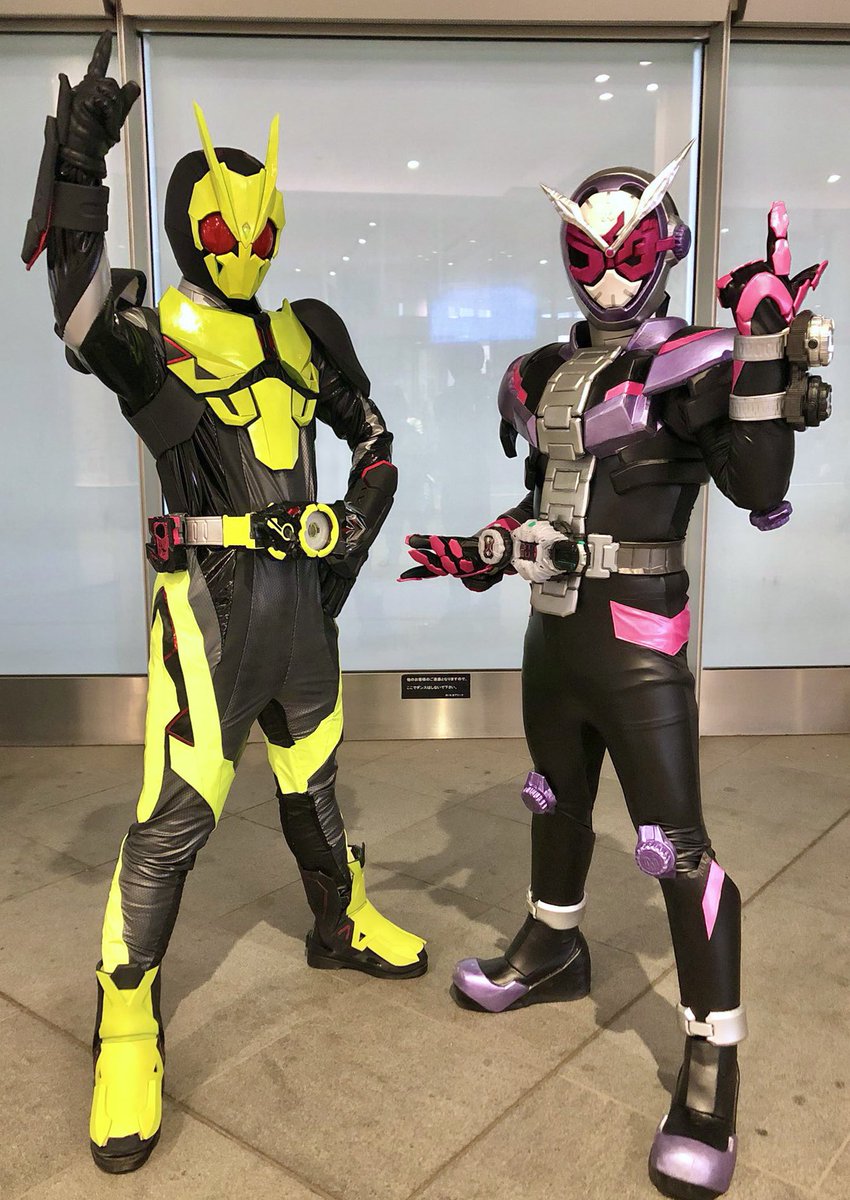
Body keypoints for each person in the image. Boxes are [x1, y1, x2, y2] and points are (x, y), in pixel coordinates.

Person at [24, 33, 427, 1174]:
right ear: (187, 228)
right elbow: (78, 307)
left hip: (303, 604)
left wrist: (352, 535)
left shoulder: (305, 331)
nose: (243, 249)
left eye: (259, 231)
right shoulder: (156, 329)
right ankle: (126, 1026)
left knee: (314, 778)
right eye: (223, 230)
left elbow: (376, 443)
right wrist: (79, 171)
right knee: (174, 819)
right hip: (209, 612)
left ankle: (337, 920)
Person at [402, 142, 832, 1199]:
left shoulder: (694, 364)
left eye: (628, 253)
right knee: (552, 800)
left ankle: (712, 1060)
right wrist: (486, 547)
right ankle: (552, 946)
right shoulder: (541, 373)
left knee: (675, 848)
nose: (605, 275)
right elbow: (552, 498)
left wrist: (762, 349)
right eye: (588, 254)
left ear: (664, 248)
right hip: (553, 634)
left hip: (641, 640)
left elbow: (758, 485)